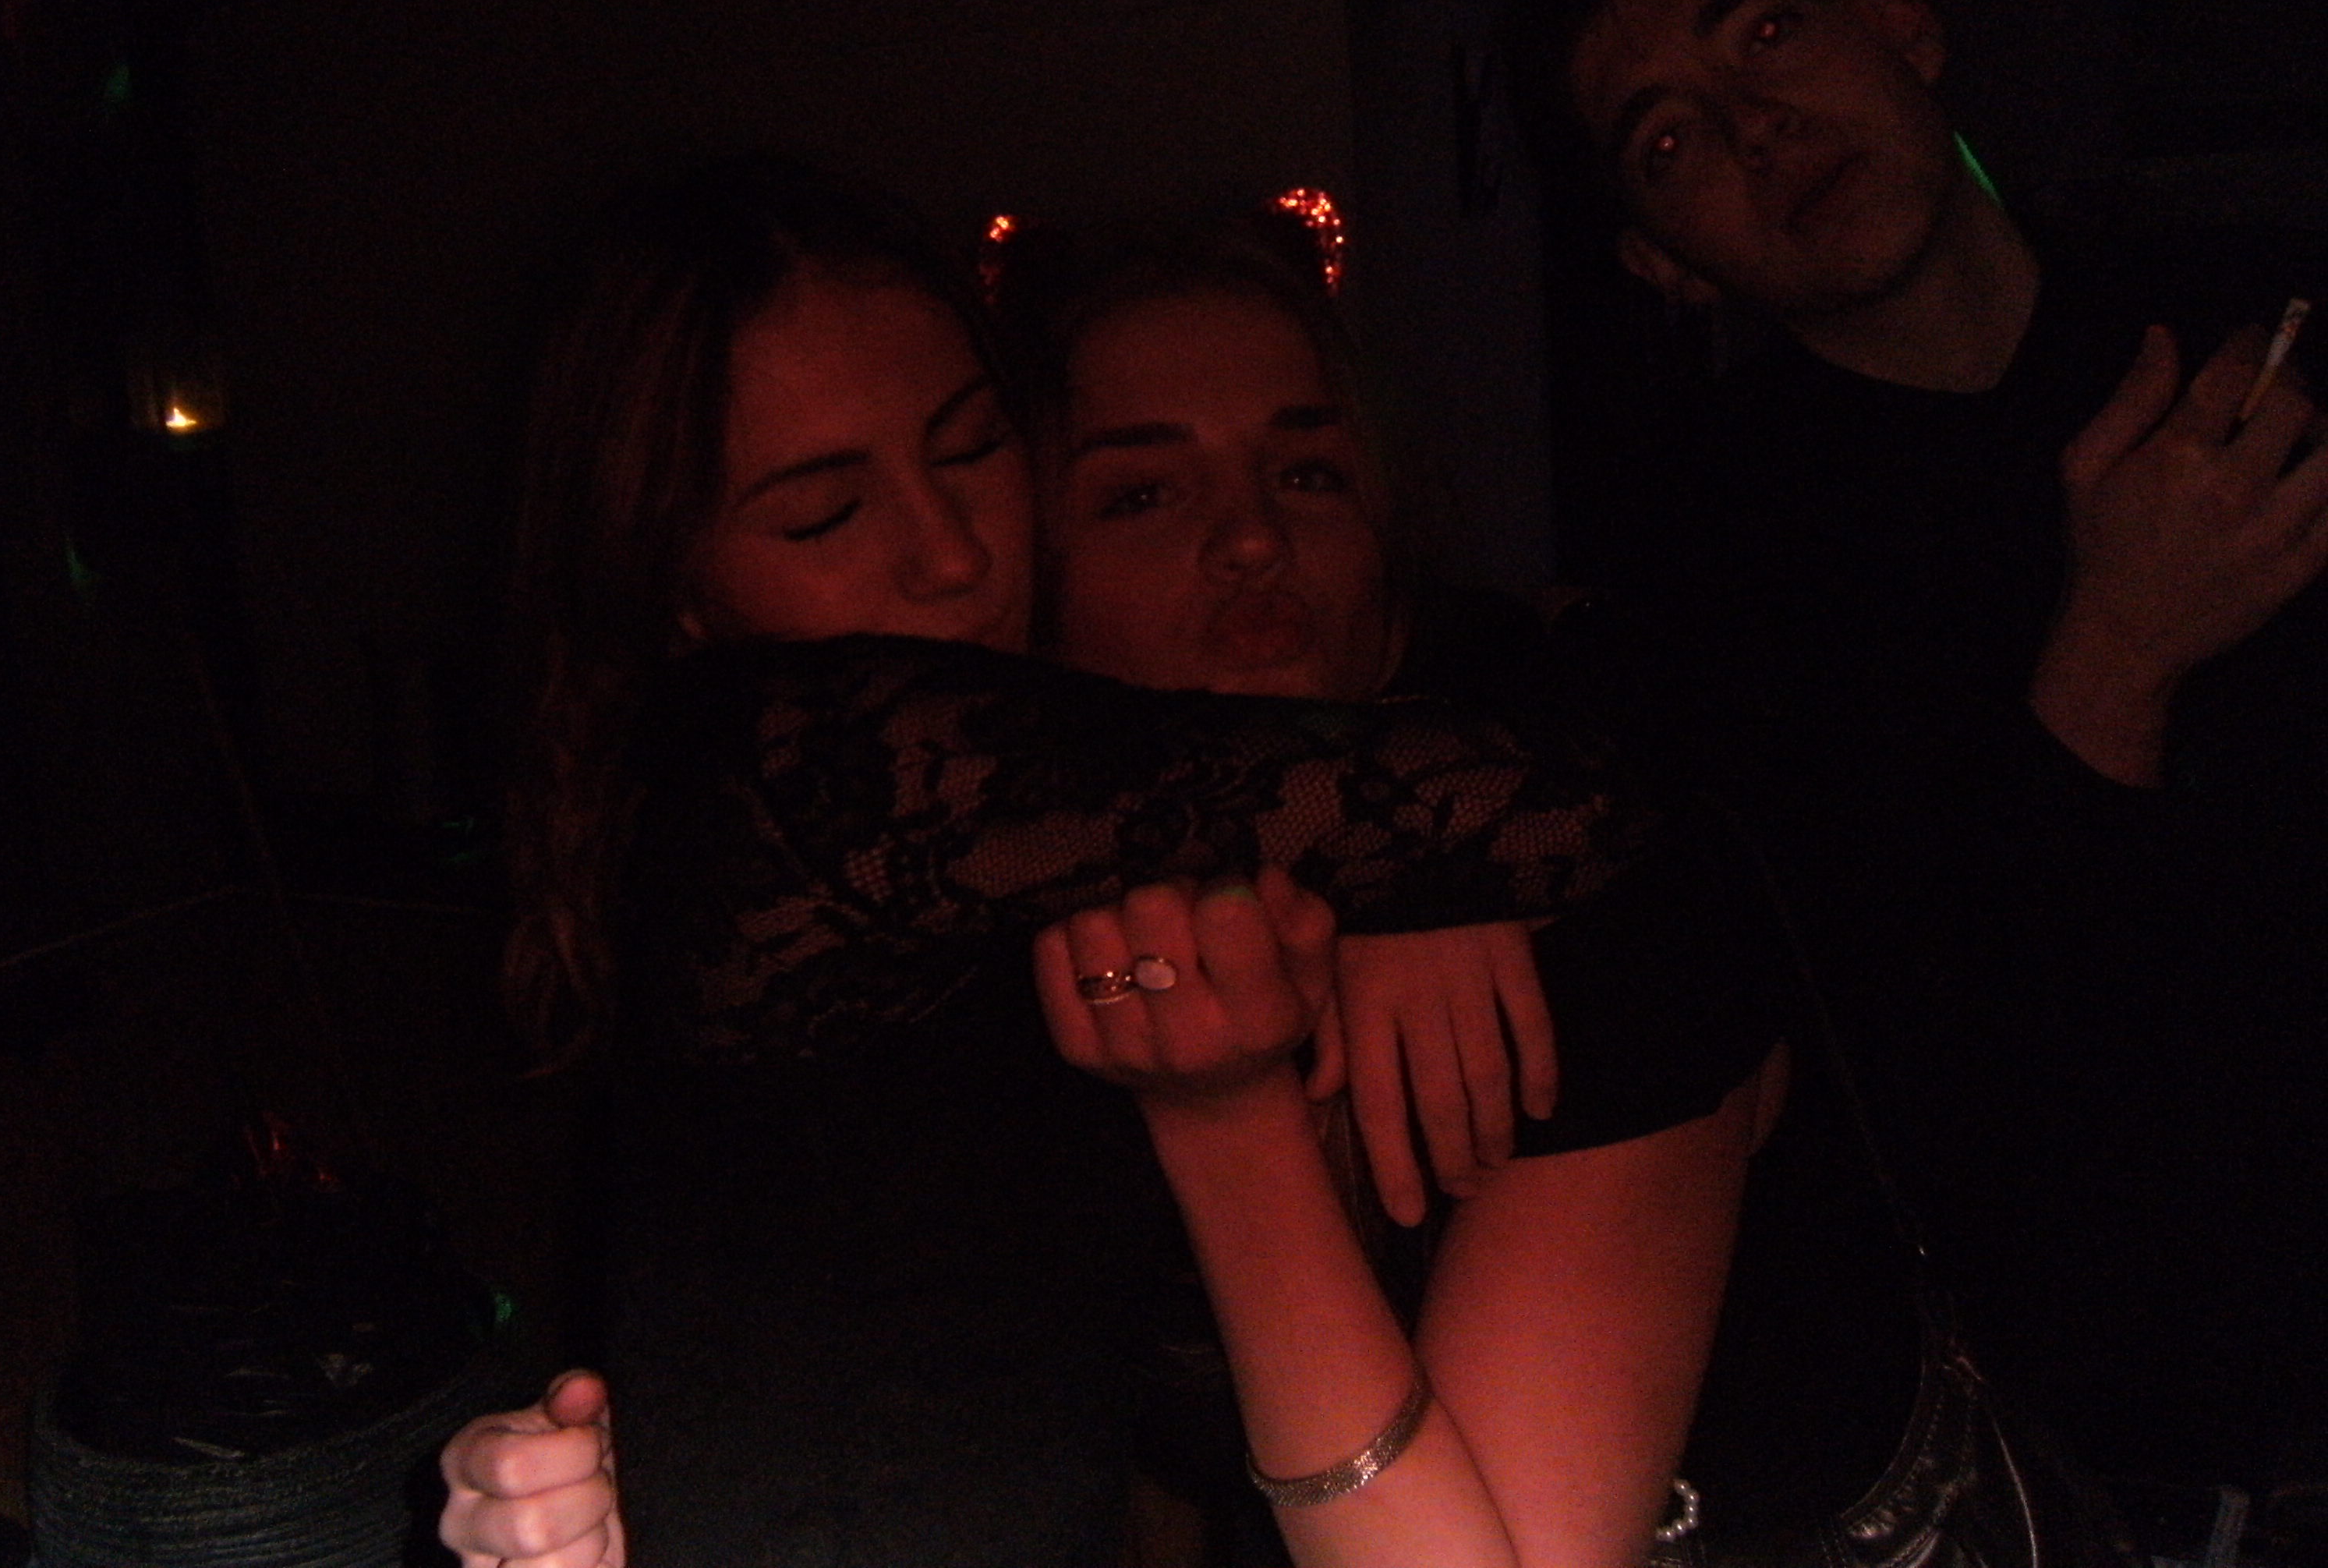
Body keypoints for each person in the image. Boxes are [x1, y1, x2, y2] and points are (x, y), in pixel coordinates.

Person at [440, 169, 1778, 1568]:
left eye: (971, 452)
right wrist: (1416, 863)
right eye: (827, 514)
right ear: (674, 590)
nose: (953, 557)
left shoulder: (1073, 889)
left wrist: (1407, 855)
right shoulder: (794, 778)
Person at [1498, 0, 2328, 1486]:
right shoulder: (1707, 595)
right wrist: (2115, 658)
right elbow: (1946, 1092)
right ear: (1662, 263)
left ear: (1900, 22)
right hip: (2152, 1445)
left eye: (1766, 32)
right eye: (1666, 140)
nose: (1751, 125)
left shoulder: (2255, 326)